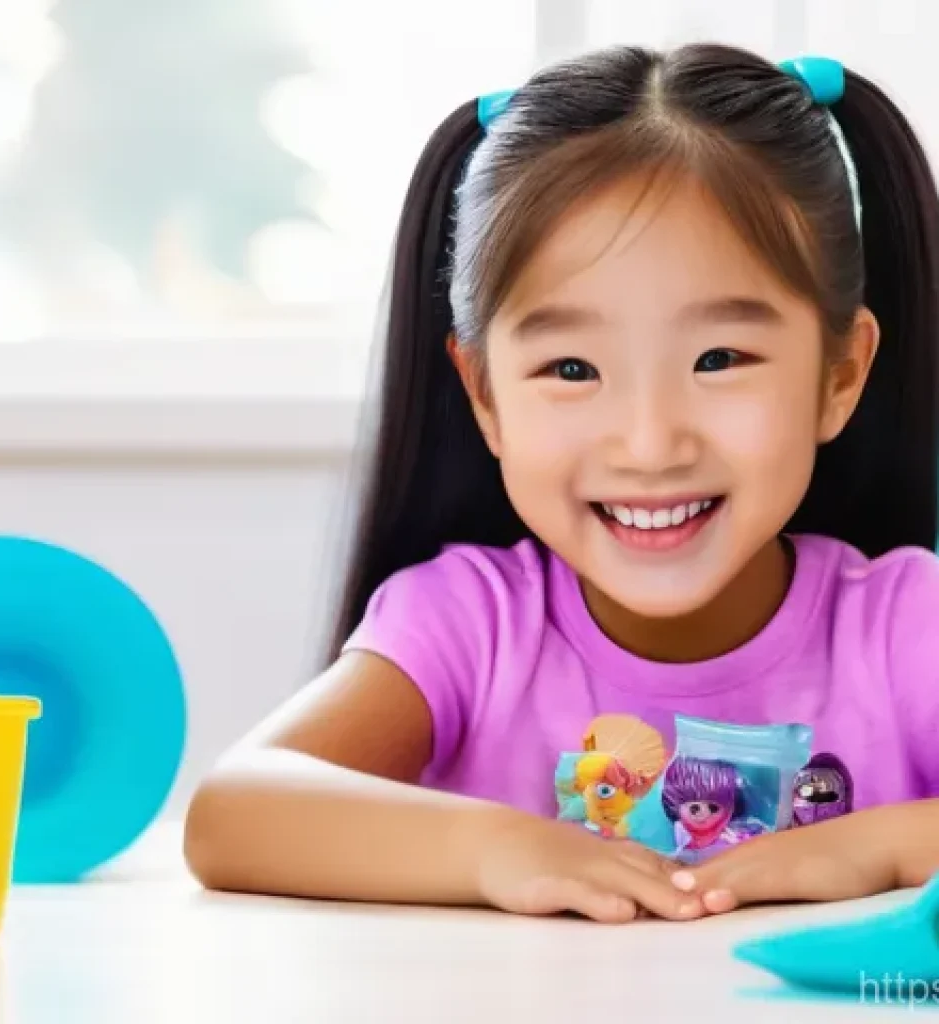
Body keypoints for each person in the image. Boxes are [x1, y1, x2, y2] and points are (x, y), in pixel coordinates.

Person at [184, 43, 939, 924]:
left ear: (839, 374)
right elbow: (234, 812)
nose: (650, 443)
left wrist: (879, 845)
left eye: (719, 358)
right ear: (485, 394)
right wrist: (495, 848)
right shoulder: (468, 625)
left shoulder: (904, 628)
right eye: (573, 367)